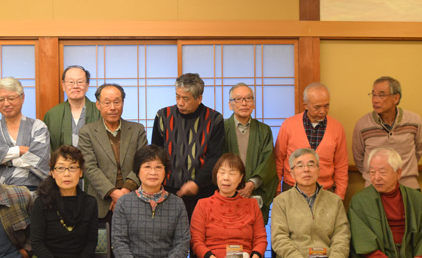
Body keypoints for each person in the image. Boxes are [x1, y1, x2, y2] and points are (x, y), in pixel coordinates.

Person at [151, 73, 225, 218]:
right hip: (168, 189)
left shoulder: (214, 119)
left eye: (186, 98)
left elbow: (215, 157)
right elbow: (156, 152)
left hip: (203, 190)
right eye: (177, 96)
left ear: (199, 98)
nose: (180, 103)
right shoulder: (163, 116)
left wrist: (197, 183)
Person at [78, 83, 147, 222]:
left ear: (123, 103)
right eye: (107, 103)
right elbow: (89, 167)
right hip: (101, 201)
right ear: (98, 105)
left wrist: (125, 191)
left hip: (134, 198)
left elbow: (143, 163)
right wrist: (113, 193)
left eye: (117, 102)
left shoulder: (137, 130)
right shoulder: (87, 132)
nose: (113, 107)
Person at [274, 82, 348, 199]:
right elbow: (278, 159)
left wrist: (340, 195)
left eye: (326, 106)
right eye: (317, 107)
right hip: (292, 188)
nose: (323, 111)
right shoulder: (288, 125)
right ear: (306, 105)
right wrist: (277, 190)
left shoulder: (337, 128)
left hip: (325, 190)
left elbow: (341, 165)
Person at [352, 76, 422, 189]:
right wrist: (378, 176)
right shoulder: (362, 125)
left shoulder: (414, 121)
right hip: (375, 186)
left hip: (408, 185)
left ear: (396, 98)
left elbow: (418, 151)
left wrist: (399, 174)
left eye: (381, 95)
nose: (375, 100)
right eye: (373, 95)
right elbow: (359, 158)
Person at [0, 77, 50, 192]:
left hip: (33, 190)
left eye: (11, 98)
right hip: (0, 191)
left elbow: (39, 159)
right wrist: (19, 150)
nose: (6, 103)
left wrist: (7, 161)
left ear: (22, 98)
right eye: (0, 99)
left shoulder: (38, 126)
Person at [223, 83, 277, 223]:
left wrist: (252, 184)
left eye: (248, 98)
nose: (244, 103)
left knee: (254, 231)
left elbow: (268, 162)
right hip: (227, 192)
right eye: (238, 99)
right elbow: (216, 161)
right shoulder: (222, 128)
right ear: (230, 105)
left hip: (255, 192)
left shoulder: (264, 130)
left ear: (253, 104)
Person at [43, 65, 100, 151]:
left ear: (87, 85)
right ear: (63, 85)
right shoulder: (52, 114)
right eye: (71, 82)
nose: (75, 86)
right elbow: (46, 148)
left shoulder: (99, 111)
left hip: (92, 160)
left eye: (80, 82)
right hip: (61, 160)